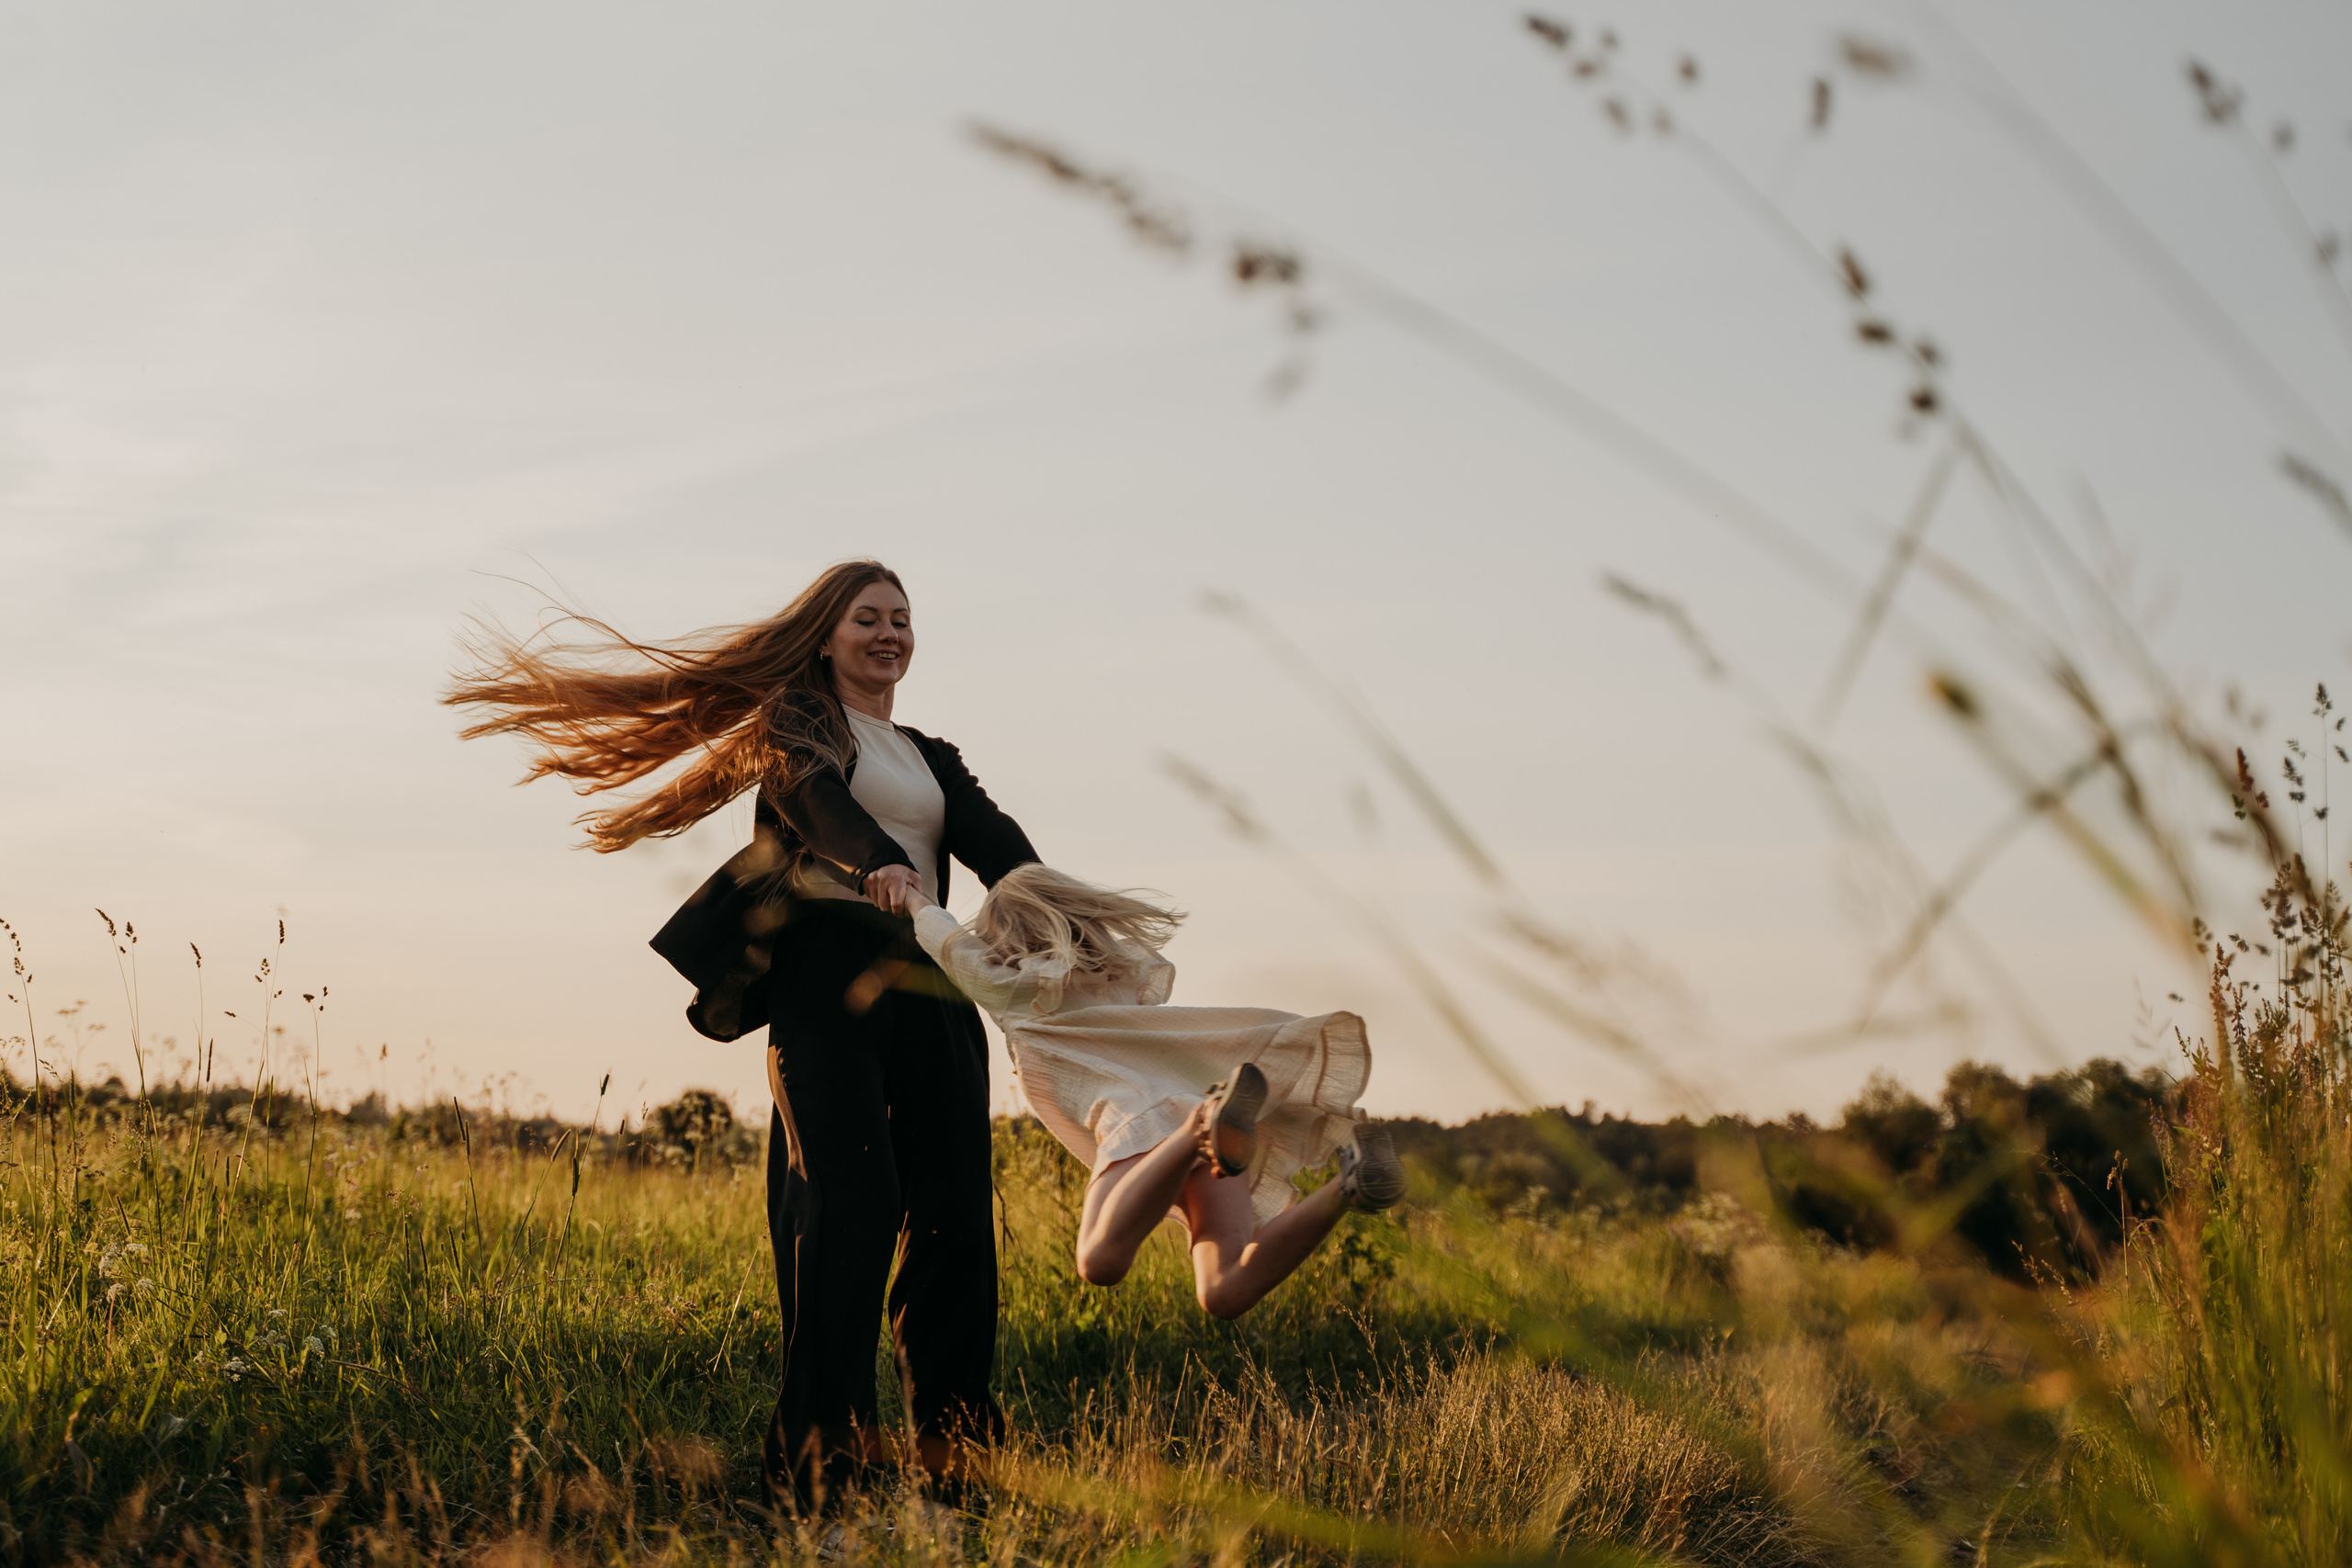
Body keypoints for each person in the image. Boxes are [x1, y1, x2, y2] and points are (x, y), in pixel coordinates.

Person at [447, 559, 1035, 1513]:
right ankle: (821, 1488)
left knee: (958, 1223)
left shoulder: (929, 752)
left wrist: (1056, 906)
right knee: (852, 1209)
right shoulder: (796, 726)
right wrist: (882, 866)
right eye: (867, 620)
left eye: (901, 620)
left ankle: (958, 1478)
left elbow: (996, 841)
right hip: (823, 981)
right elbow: (819, 804)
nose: (889, 635)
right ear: (827, 637)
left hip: (931, 982)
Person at [906, 863, 1405, 1319]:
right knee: (1223, 1291)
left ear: (1003, 942)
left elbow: (948, 944)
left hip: (1143, 1122)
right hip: (1199, 1109)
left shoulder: (1016, 992)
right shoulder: (1121, 975)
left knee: (1100, 1261)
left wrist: (910, 897)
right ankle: (1349, 1185)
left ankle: (1199, 1130)